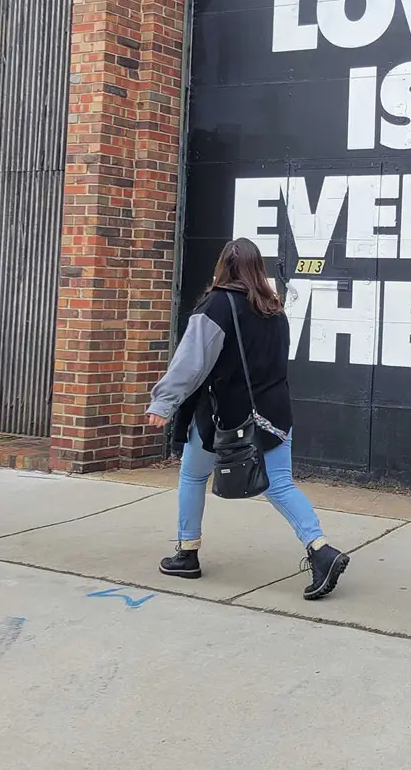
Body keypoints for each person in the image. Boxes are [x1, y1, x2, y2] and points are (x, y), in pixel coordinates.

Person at [146, 237, 350, 600]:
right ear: (258, 268)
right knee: (281, 484)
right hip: (273, 416)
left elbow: (191, 363)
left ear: (223, 265)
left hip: (226, 419)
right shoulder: (275, 309)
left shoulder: (216, 306)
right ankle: (321, 550)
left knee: (193, 475)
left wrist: (163, 404)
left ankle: (187, 553)